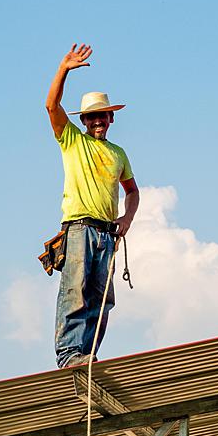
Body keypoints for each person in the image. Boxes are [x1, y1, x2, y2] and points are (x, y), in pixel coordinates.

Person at [46, 43, 139, 367]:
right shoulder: (72, 140)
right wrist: (63, 70)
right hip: (79, 227)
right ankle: (69, 354)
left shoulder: (118, 153)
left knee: (102, 299)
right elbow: (51, 106)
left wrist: (126, 218)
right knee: (76, 291)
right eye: (92, 116)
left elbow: (132, 190)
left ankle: (87, 354)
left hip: (106, 232)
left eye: (102, 115)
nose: (98, 120)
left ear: (110, 117)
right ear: (84, 120)